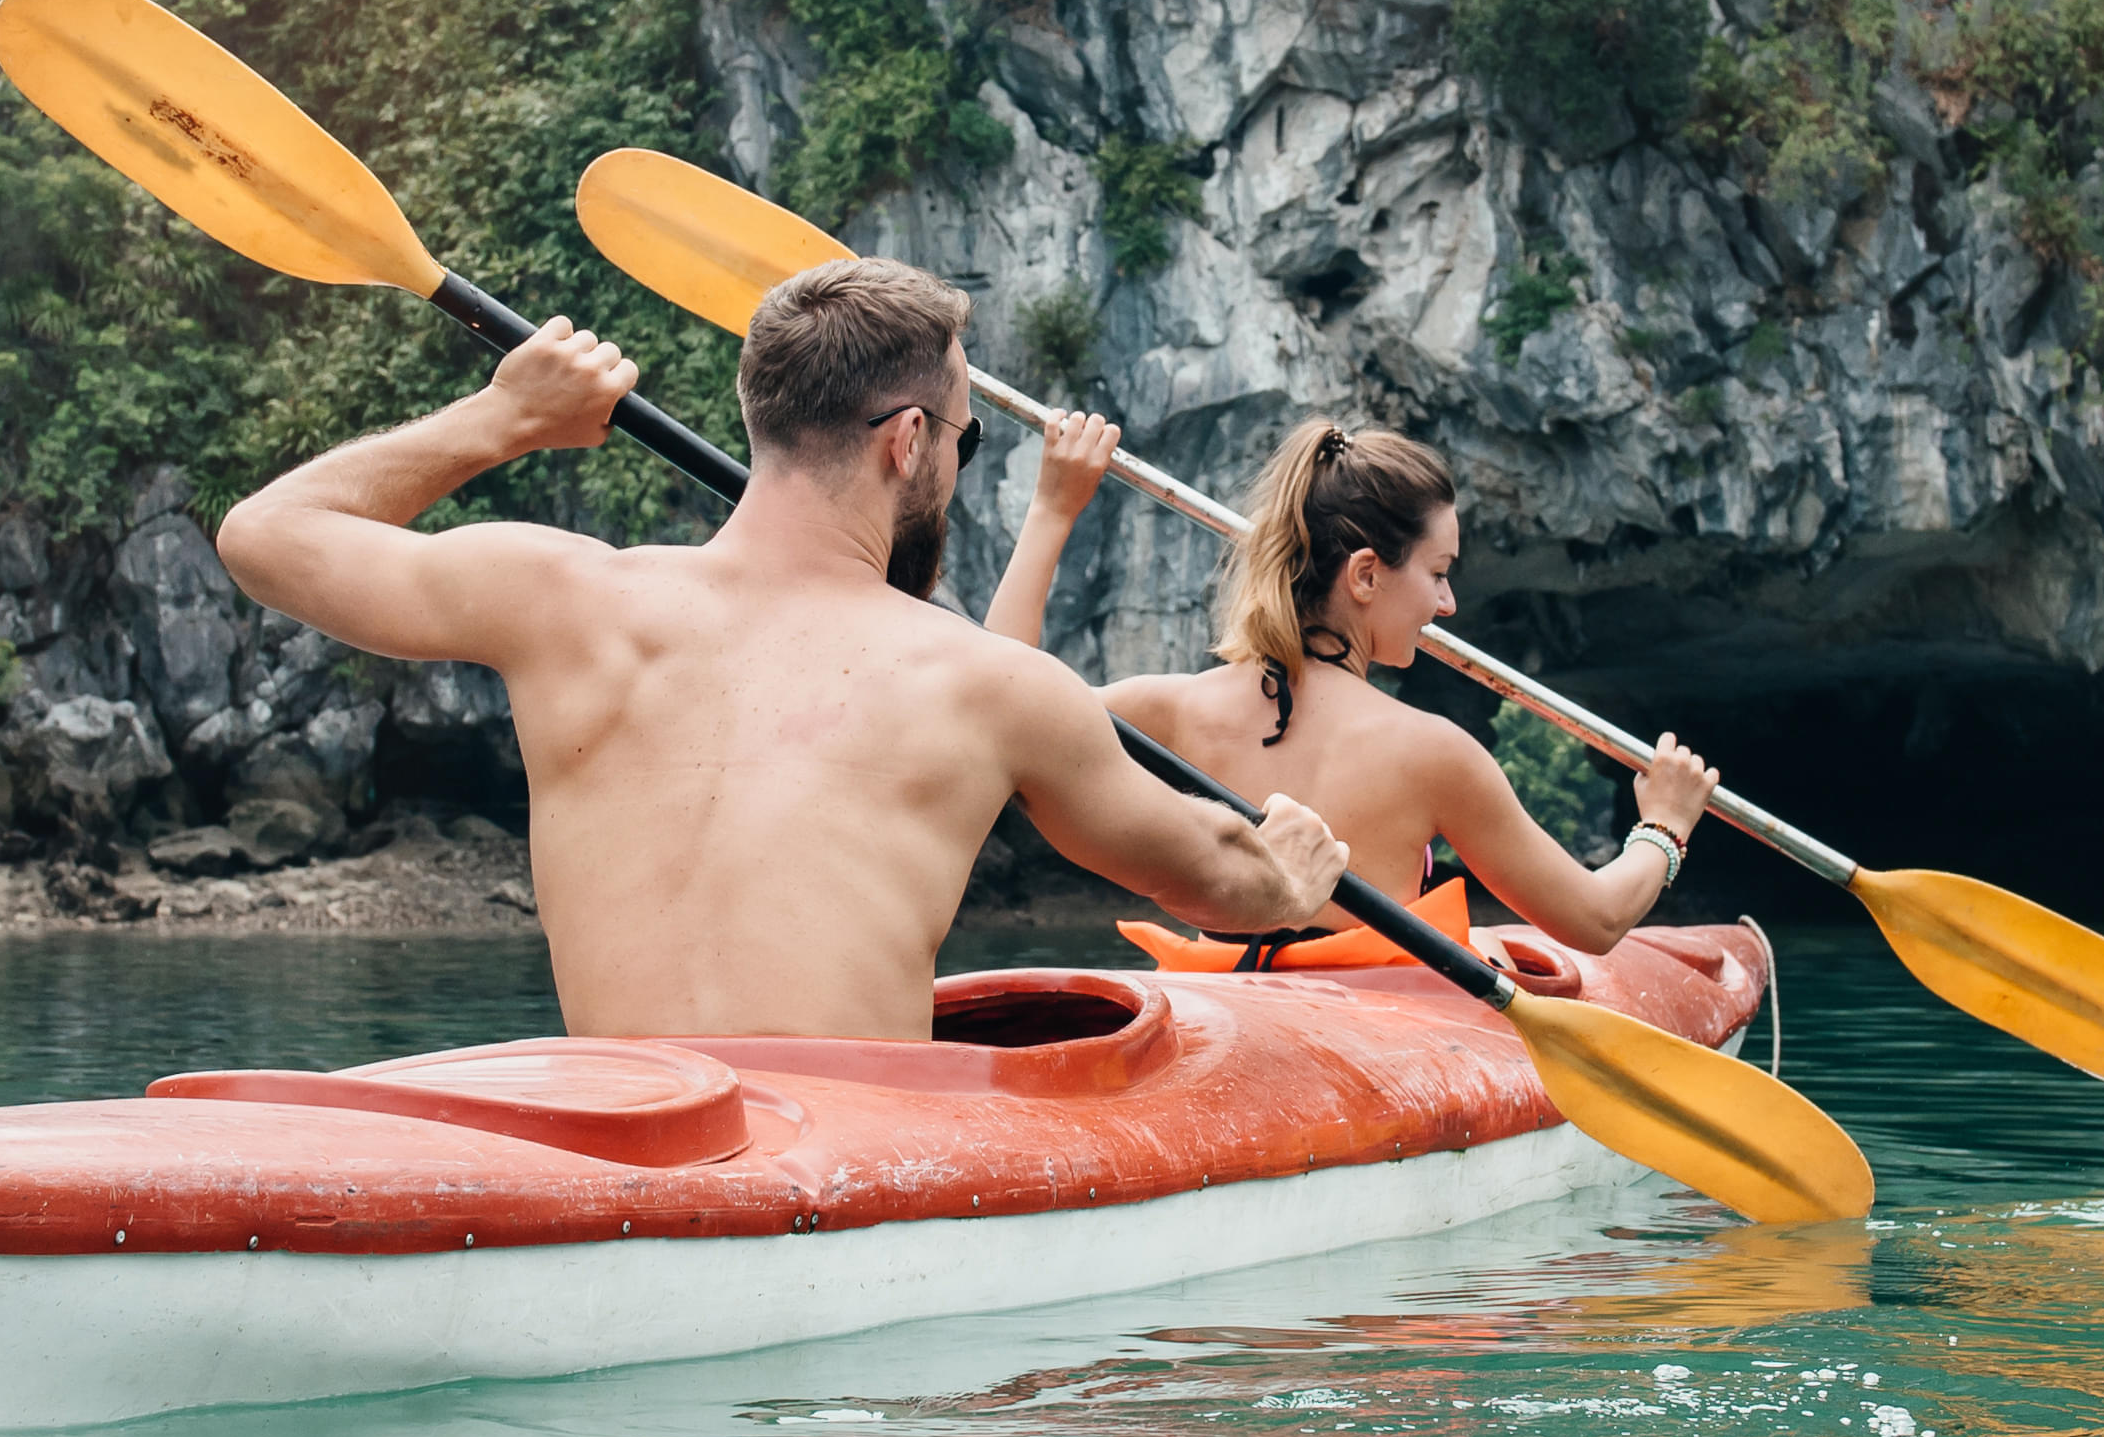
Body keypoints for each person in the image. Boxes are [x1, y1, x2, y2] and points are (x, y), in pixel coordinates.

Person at [213, 257, 1346, 1039]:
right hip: (843, 1162)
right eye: (965, 435)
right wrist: (1286, 863)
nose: (958, 456)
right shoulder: (989, 682)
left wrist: (500, 418)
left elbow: (265, 536)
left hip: (615, 1127)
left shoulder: (566, 598)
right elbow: (1220, 886)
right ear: (909, 442)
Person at [988, 410, 1715, 959]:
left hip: (1216, 1033)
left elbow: (1000, 707)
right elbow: (1593, 920)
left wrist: (1053, 507)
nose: (1447, 604)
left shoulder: (1168, 709)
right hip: (1357, 1061)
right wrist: (1664, 825)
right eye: (1437, 572)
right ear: (1366, 574)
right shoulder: (1432, 752)